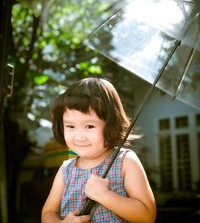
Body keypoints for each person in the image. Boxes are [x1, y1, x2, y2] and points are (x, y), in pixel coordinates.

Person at [41, 77, 156, 223]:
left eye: (89, 126)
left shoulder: (125, 162)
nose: (79, 136)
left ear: (111, 125)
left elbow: (147, 216)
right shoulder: (66, 170)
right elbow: (48, 213)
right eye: (70, 126)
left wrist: (105, 195)